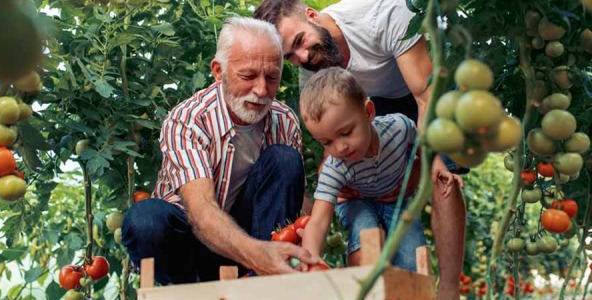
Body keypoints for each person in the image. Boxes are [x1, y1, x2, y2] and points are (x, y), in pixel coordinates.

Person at [255, 1, 466, 298]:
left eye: (300, 41)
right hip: (362, 112)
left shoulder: (383, 15)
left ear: (312, 15)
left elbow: (424, 96)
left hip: (420, 89)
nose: (302, 57)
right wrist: (331, 191)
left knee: (443, 172)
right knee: (354, 187)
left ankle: (449, 288)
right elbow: (330, 138)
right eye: (290, 56)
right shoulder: (312, 71)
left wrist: (430, 160)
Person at [121, 17, 318, 284]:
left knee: (285, 159)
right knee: (144, 220)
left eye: (272, 77)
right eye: (248, 76)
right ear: (218, 71)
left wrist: (315, 225)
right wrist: (259, 254)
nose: (261, 90)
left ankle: (266, 282)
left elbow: (289, 197)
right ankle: (189, 290)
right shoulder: (188, 120)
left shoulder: (284, 120)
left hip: (253, 242)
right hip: (192, 244)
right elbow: (201, 211)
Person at [299, 67, 431, 270]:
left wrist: (417, 173)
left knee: (411, 258)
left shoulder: (399, 128)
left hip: (396, 199)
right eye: (326, 142)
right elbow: (317, 221)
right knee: (364, 239)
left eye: (346, 132)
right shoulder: (335, 167)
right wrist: (310, 258)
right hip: (356, 201)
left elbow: (423, 147)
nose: (340, 147)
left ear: (368, 112)